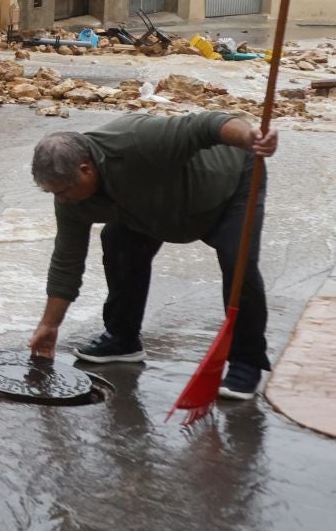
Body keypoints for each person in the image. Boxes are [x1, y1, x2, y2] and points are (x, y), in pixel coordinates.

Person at [27, 111, 279, 400]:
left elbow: (208, 124)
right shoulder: (70, 197)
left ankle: (246, 361)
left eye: (64, 192)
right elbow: (67, 262)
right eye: (53, 194)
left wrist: (250, 137)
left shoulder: (136, 139)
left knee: (239, 265)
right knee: (118, 241)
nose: (62, 200)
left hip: (226, 189)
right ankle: (123, 339)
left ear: (86, 169)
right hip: (153, 209)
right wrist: (49, 326)